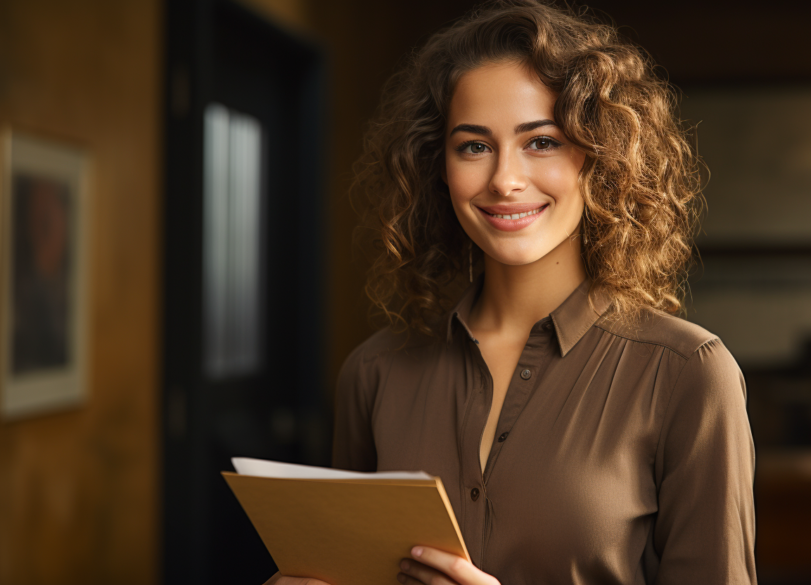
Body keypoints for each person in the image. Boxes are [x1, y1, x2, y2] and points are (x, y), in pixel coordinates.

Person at [268, 1, 755, 583]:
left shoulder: (688, 375)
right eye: (473, 146)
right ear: (438, 166)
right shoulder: (373, 375)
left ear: (598, 156)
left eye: (541, 142)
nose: (504, 179)